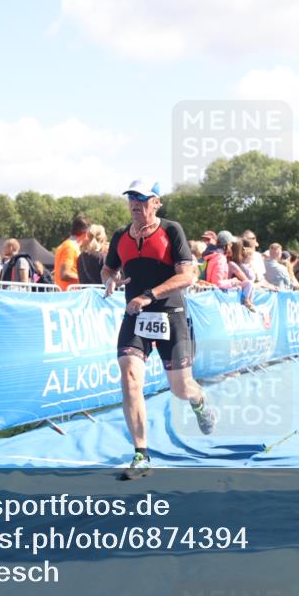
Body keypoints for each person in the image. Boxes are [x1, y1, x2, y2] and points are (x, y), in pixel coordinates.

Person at [101, 178, 216, 480]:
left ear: (156, 202)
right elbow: (108, 269)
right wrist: (110, 280)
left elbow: (187, 277)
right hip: (135, 314)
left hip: (170, 312)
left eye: (142, 198)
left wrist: (149, 295)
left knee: (180, 388)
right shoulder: (120, 236)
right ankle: (141, 454)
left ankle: (199, 400)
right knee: (129, 376)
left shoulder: (171, 230)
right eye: (131, 198)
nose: (135, 204)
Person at [54, 214, 91, 290]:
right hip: (69, 295)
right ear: (85, 234)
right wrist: (86, 279)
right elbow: (64, 274)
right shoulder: (70, 247)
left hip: (67, 294)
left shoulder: (67, 245)